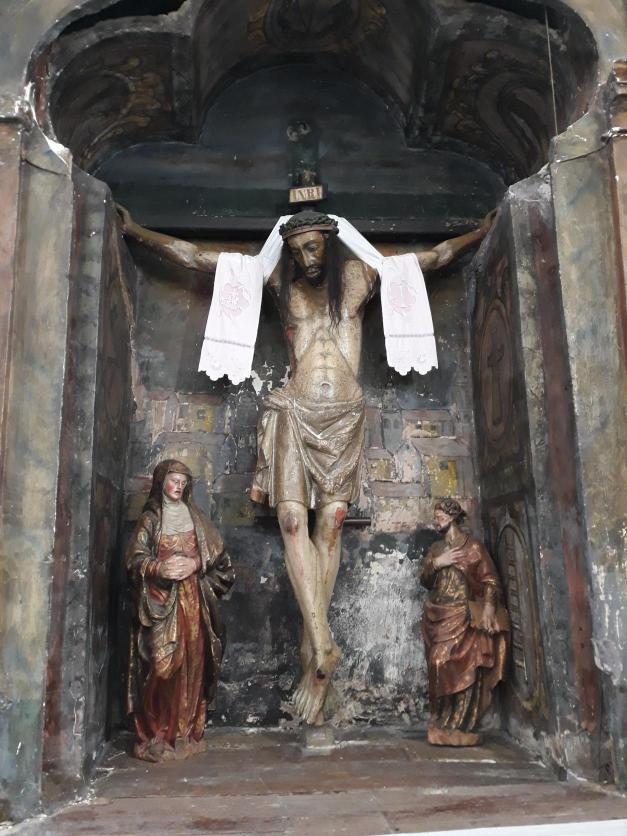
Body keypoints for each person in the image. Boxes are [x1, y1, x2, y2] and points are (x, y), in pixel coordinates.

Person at [118, 206, 494, 725]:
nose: (307, 258)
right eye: (297, 250)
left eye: (314, 247)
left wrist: (480, 232)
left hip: (344, 415)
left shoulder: (361, 277)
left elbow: (433, 257)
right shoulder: (278, 281)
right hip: (293, 412)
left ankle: (310, 653)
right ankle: (322, 643)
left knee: (332, 523)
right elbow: (198, 258)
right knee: (293, 521)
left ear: (332, 243)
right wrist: (136, 230)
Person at [126, 459, 234, 761]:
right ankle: (156, 733)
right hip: (161, 601)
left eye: (183, 483)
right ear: (161, 482)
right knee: (161, 668)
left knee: (193, 664)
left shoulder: (197, 519)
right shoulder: (151, 520)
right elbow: (133, 560)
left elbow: (220, 561)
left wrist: (194, 564)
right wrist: (158, 567)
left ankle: (184, 733)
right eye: (173, 480)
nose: (178, 486)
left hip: (194, 602)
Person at [421, 499, 509, 746]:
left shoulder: (473, 548)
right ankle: (442, 718)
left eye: (439, 517)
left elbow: (491, 581)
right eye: (435, 517)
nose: (436, 521)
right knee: (437, 663)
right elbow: (425, 580)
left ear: (452, 517)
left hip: (464, 615)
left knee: (465, 666)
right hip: (439, 614)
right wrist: (437, 563)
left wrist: (489, 608)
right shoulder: (437, 548)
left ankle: (461, 723)